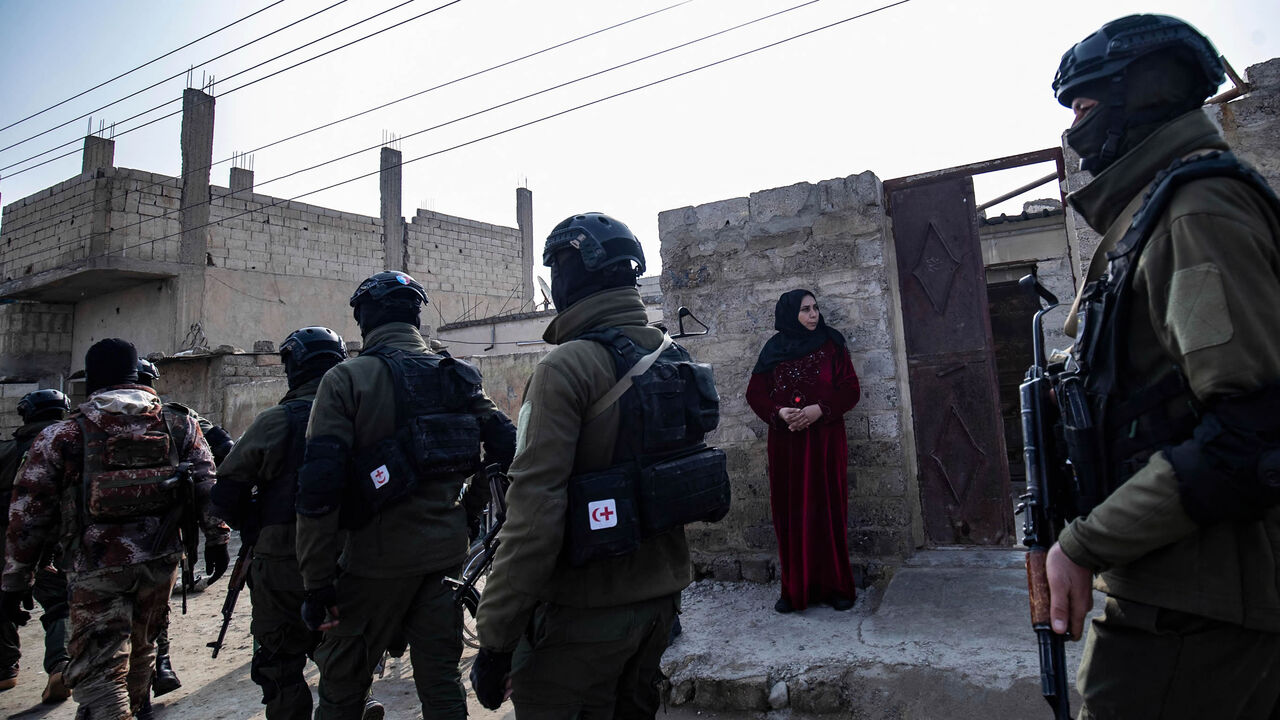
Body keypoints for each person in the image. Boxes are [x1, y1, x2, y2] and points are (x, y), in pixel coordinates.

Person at [1044, 15, 1280, 718]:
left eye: (1084, 107)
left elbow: (1252, 435)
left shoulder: (1192, 212)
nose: (1076, 128)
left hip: (1200, 601)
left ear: (1135, 99)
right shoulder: (1158, 211)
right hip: (1184, 587)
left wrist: (1084, 545)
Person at [473, 212, 715, 718]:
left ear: (568, 275)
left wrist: (495, 640)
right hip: (660, 605)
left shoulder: (566, 367)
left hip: (584, 616)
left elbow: (533, 518)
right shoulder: (671, 352)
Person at [295, 271, 515, 720]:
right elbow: (507, 445)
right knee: (441, 681)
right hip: (445, 558)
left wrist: (317, 582)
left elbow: (318, 492)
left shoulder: (345, 380)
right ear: (416, 315)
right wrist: (468, 512)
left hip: (371, 565)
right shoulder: (457, 374)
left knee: (343, 686)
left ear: (365, 318)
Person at [1, 339, 230, 719]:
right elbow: (209, 486)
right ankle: (135, 706)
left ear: (92, 380)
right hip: (161, 560)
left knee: (99, 663)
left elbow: (29, 512)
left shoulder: (63, 435)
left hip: (96, 564)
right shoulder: (179, 423)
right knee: (143, 648)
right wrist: (218, 540)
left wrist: (16, 580)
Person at [211, 327, 369, 720]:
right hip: (353, 556)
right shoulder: (364, 418)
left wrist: (257, 526)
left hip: (282, 559)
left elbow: (226, 493)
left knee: (279, 662)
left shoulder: (277, 420)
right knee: (342, 653)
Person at [746, 290, 861, 614]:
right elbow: (755, 393)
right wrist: (780, 413)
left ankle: (837, 587)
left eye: (815, 308)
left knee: (828, 512)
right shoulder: (773, 350)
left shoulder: (832, 344)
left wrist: (819, 410)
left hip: (824, 442)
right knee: (791, 514)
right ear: (789, 315)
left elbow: (851, 389)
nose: (813, 315)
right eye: (805, 310)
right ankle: (795, 590)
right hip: (787, 446)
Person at [134, 357, 234, 697]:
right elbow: (212, 473)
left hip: (93, 551)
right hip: (162, 541)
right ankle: (159, 661)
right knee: (153, 608)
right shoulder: (177, 420)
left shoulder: (75, 426)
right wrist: (217, 537)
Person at [0, 389, 72, 703]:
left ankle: (5, 670)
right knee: (58, 602)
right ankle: (59, 664)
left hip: (9, 542)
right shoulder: (73, 445)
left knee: (5, 601)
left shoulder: (6, 451)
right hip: (55, 543)